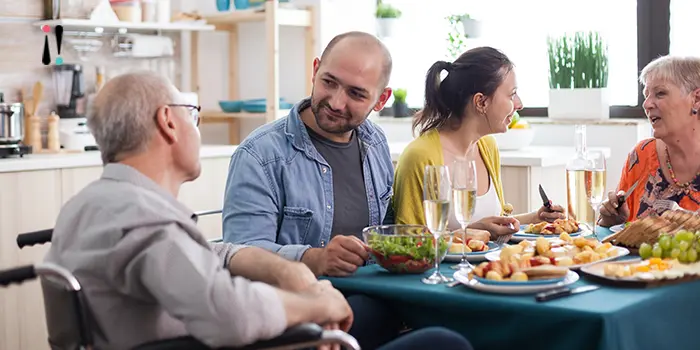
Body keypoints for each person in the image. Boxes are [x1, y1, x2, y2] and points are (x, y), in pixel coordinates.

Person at [45, 71, 473, 350]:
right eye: (192, 114)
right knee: (441, 342)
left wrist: (295, 272)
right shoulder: (142, 216)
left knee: (375, 313)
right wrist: (313, 307)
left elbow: (208, 256)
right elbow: (229, 313)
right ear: (168, 122)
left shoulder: (93, 206)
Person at [222, 31, 395, 277]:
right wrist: (315, 259)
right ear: (315, 71)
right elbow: (240, 255)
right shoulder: (260, 155)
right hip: (295, 305)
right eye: (329, 82)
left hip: (374, 296)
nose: (336, 102)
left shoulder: (376, 143)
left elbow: (387, 232)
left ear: (382, 100)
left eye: (355, 93)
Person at [392, 47, 566, 239]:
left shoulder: (487, 147)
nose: (519, 104)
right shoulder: (419, 157)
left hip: (489, 267)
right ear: (481, 102)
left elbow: (492, 224)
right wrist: (468, 232)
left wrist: (535, 218)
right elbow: (406, 243)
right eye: (512, 94)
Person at [600, 55, 700, 226]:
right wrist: (612, 220)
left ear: (696, 99)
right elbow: (617, 239)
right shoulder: (642, 155)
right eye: (646, 96)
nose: (647, 104)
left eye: (660, 93)